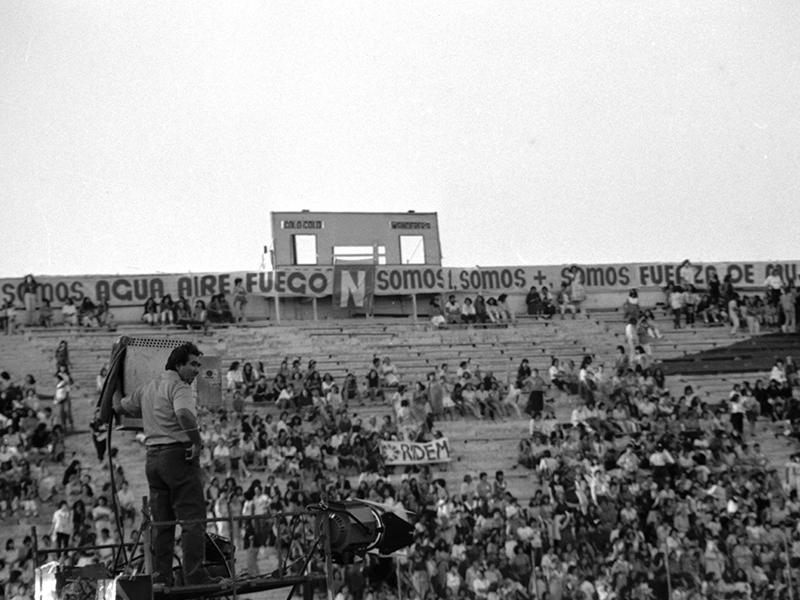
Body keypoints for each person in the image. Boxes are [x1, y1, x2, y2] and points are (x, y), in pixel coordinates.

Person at [116, 342, 219, 586]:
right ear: (179, 365)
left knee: (162, 521)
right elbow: (184, 414)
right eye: (193, 364)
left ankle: (160, 575)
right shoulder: (180, 387)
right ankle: (195, 575)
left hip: (152, 458)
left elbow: (120, 407)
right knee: (192, 519)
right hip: (177, 456)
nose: (197, 370)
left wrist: (114, 385)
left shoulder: (148, 388)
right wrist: (196, 441)